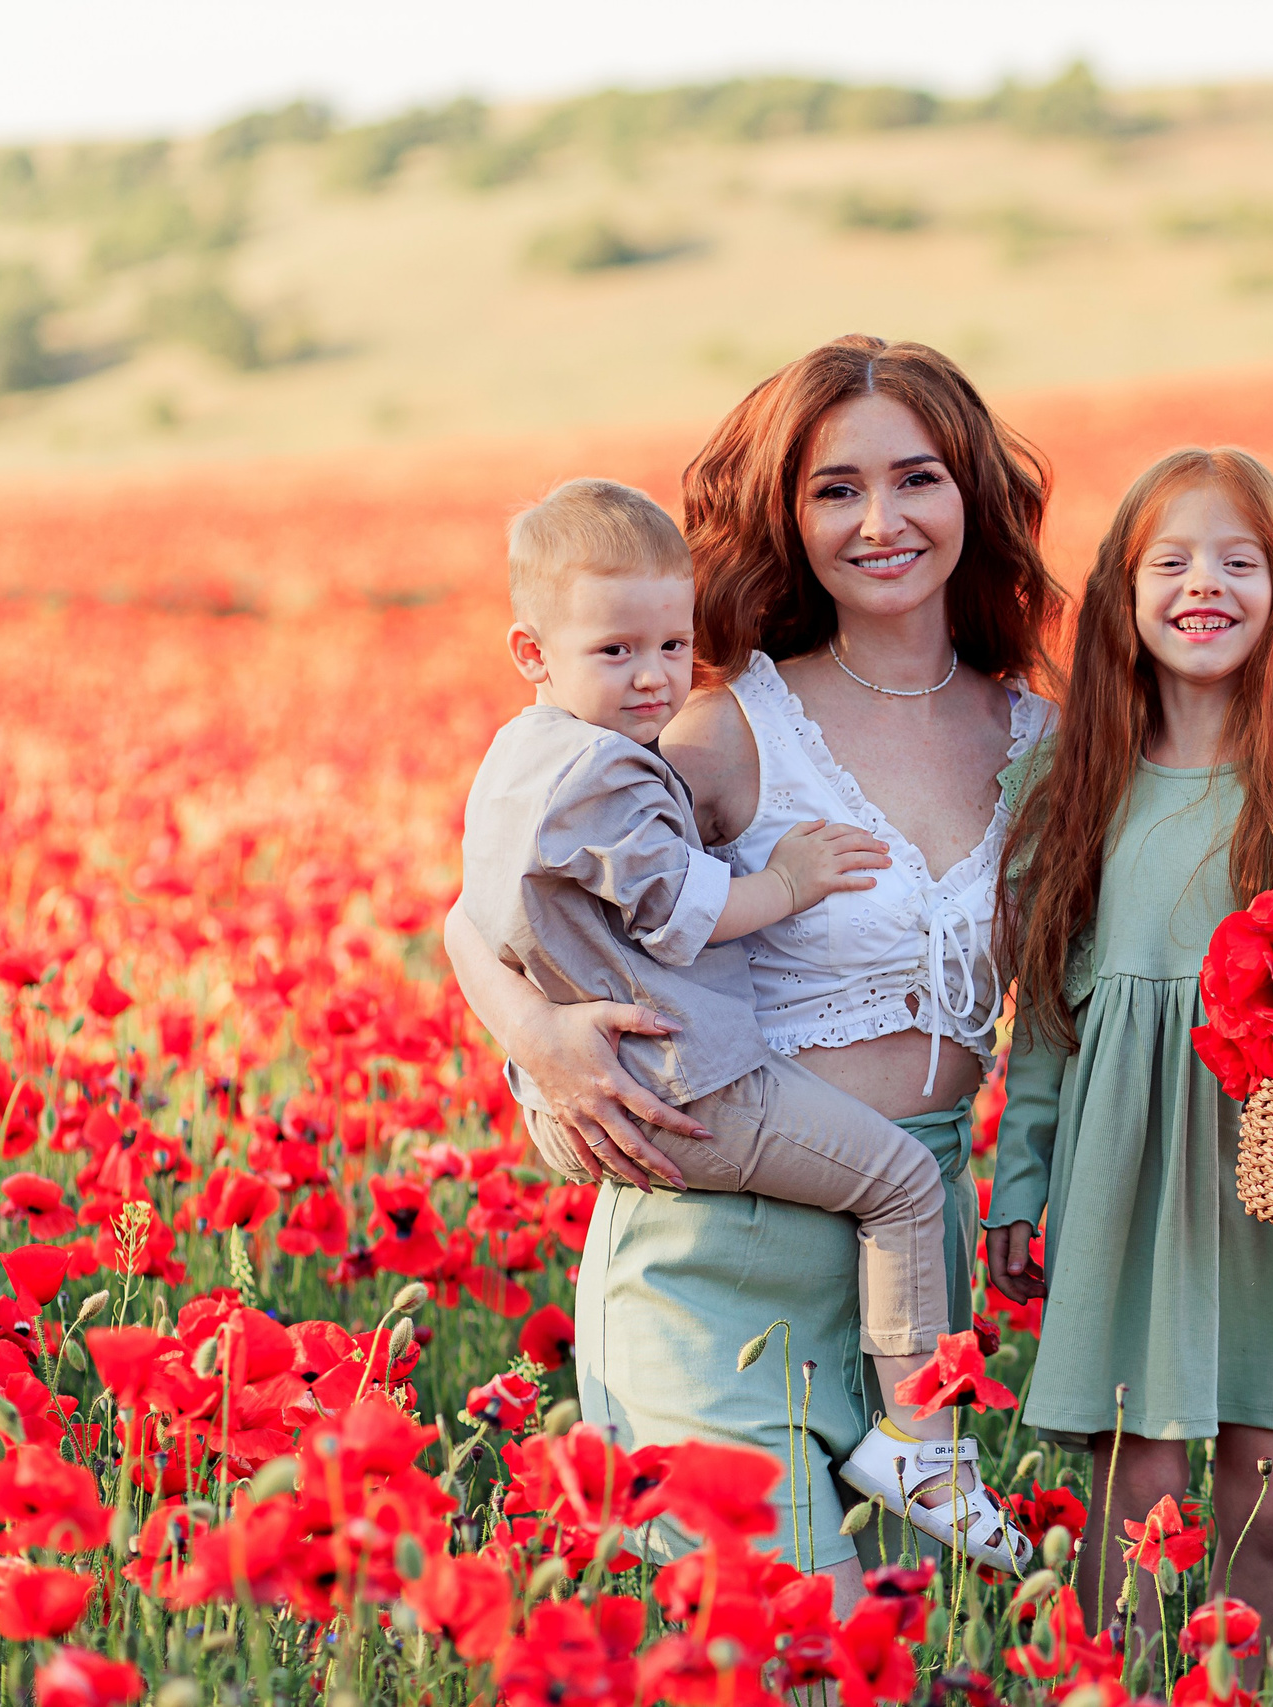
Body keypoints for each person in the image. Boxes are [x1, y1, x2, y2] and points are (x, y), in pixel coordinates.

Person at [444, 337, 1064, 1606]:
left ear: (974, 497)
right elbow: (493, 907)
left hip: (911, 1262)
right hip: (716, 1257)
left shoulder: (1037, 736)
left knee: (901, 1663)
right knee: (793, 1650)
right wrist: (539, 1042)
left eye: (918, 479)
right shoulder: (725, 725)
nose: (880, 520)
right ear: (788, 515)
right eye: (835, 488)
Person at [986, 447, 1273, 1649]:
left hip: (1271, 1181)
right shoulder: (1075, 786)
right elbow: (1049, 1017)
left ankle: (1244, 1677)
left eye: (1239, 560)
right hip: (1125, 1175)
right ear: (1122, 592)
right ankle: (1116, 1679)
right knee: (1138, 1495)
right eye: (1168, 560)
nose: (1201, 584)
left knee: (1267, 1507)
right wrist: (1019, 1182)